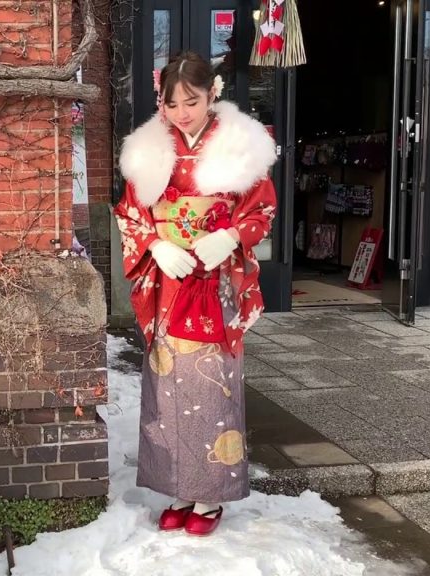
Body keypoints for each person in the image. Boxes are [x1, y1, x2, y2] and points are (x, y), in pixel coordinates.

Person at [114, 50, 277, 536]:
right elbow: (130, 213)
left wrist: (230, 236)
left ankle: (210, 496)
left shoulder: (240, 145)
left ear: (213, 94)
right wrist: (156, 244)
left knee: (213, 380)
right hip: (170, 278)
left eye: (193, 100)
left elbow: (260, 210)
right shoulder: (148, 150)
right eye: (173, 103)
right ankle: (181, 487)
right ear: (160, 103)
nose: (183, 112)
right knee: (168, 379)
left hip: (216, 276)